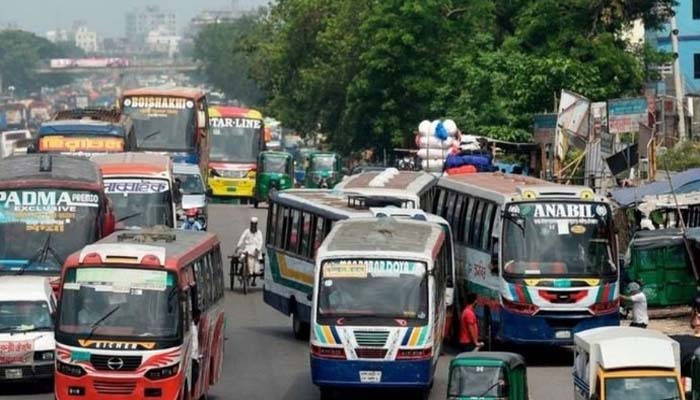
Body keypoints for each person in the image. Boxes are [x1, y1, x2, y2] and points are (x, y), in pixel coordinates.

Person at [236, 217, 264, 286]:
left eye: (254, 224)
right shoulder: (247, 231)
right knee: (243, 257)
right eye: (252, 224)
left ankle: (254, 280)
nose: (253, 226)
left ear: (256, 225)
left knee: (256, 266)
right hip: (248, 249)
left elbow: (261, 242)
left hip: (256, 250)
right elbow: (242, 239)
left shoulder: (259, 233)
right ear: (250, 224)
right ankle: (242, 270)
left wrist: (258, 249)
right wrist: (238, 246)